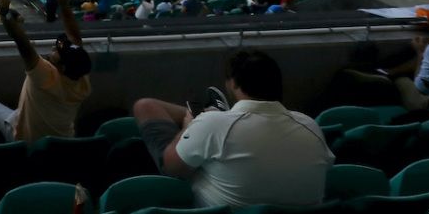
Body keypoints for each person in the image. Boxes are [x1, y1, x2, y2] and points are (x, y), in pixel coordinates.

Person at [132, 50, 333, 210]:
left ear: (234, 84)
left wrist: (190, 126)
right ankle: (213, 113)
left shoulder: (214, 126)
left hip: (214, 192)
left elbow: (171, 167)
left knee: (145, 107)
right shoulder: (310, 125)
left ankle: (205, 116)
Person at [0, 0, 92, 144]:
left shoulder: (45, 75)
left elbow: (22, 43)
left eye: (57, 51)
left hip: (25, 140)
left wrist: (4, 12)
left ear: (63, 68)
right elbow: (75, 39)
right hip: (63, 141)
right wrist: (64, 6)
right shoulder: (82, 81)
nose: (54, 48)